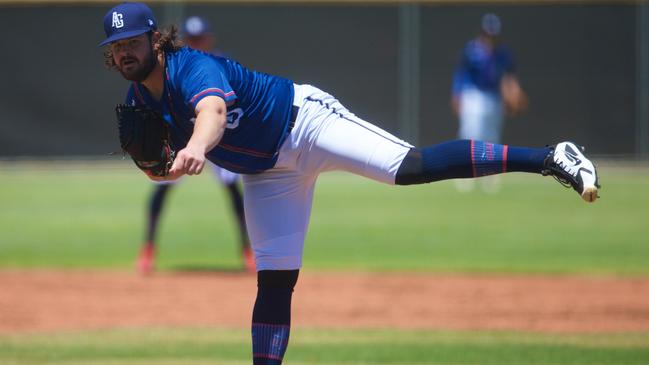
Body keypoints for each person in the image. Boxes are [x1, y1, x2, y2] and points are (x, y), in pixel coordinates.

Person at [100, 3, 599, 364]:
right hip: (266, 175)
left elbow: (211, 111)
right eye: (116, 48)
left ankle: (550, 157)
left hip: (305, 124)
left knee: (410, 166)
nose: (124, 53)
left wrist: (195, 147)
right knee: (274, 282)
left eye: (132, 43)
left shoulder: (191, 66)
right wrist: (157, 167)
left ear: (154, 41)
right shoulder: (140, 99)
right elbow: (157, 169)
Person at [137, 15, 254, 275]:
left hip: (218, 135)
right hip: (182, 135)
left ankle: (249, 250)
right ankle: (148, 248)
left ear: (209, 39)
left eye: (200, 38)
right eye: (191, 39)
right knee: (163, 183)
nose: (196, 43)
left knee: (233, 187)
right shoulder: (174, 67)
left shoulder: (220, 64)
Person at [451, 13, 529, 193]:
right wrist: (457, 95)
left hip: (493, 97)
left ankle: (490, 175)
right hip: (473, 95)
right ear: (482, 33)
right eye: (488, 34)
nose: (490, 38)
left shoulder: (503, 53)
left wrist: (514, 93)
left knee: (491, 139)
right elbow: (461, 74)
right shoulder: (471, 50)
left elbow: (510, 78)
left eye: (493, 35)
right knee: (469, 134)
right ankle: (463, 174)